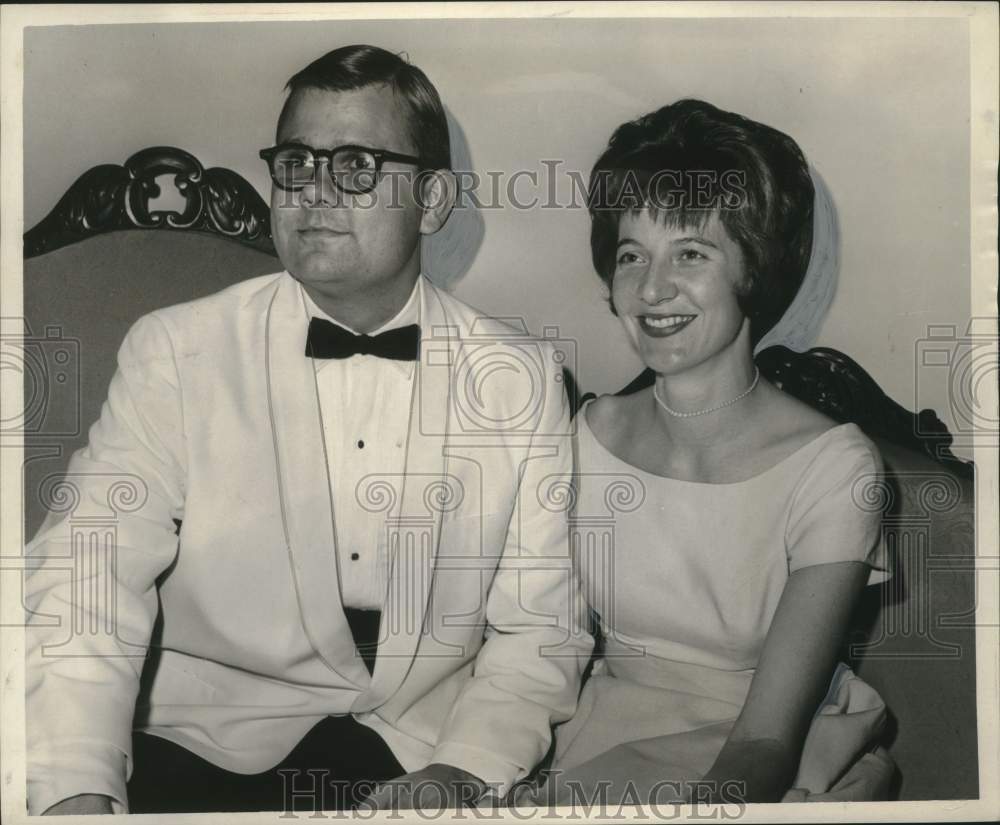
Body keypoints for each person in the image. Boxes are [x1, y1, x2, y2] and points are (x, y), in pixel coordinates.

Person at [25, 44, 591, 816]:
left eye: (355, 165)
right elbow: (86, 572)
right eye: (295, 163)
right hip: (197, 739)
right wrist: (75, 780)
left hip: (414, 751)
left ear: (432, 201)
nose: (314, 192)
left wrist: (464, 770)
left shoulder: (522, 378)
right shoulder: (176, 348)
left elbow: (542, 629)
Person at [527, 99, 895, 807]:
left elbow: (765, 739)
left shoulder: (836, 468)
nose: (652, 288)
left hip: (759, 759)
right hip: (593, 731)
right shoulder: (585, 431)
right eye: (632, 254)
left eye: (691, 253)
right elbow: (543, 648)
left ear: (752, 267)